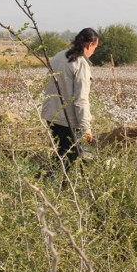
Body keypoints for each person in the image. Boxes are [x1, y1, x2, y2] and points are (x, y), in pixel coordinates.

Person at [40, 28, 100, 171]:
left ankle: (57, 185)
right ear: (89, 45)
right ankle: (44, 184)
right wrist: (86, 128)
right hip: (67, 120)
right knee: (66, 158)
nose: (94, 52)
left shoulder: (60, 56)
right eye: (95, 48)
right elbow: (81, 100)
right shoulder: (80, 63)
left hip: (51, 116)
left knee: (64, 155)